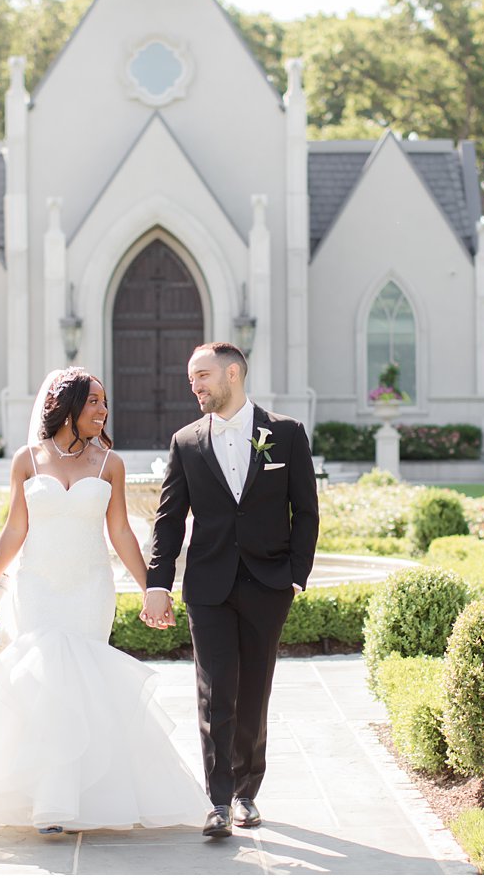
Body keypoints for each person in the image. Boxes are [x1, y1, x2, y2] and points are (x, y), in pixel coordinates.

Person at [0, 367, 210, 833]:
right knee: (39, 683)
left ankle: (75, 799)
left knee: (82, 681)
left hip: (89, 587)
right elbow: (15, 529)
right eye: (94, 402)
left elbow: (120, 531)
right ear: (67, 407)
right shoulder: (28, 459)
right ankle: (46, 802)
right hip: (38, 584)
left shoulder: (110, 463)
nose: (103, 411)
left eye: (104, 403)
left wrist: (151, 588)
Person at [141, 342, 320, 838]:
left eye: (202, 376)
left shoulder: (285, 434)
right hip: (209, 586)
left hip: (268, 584)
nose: (194, 386)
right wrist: (158, 583)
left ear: (234, 373)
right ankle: (218, 801)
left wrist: (295, 573)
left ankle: (246, 792)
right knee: (215, 690)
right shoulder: (186, 441)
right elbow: (168, 519)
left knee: (253, 691)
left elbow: (305, 510)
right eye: (191, 379)